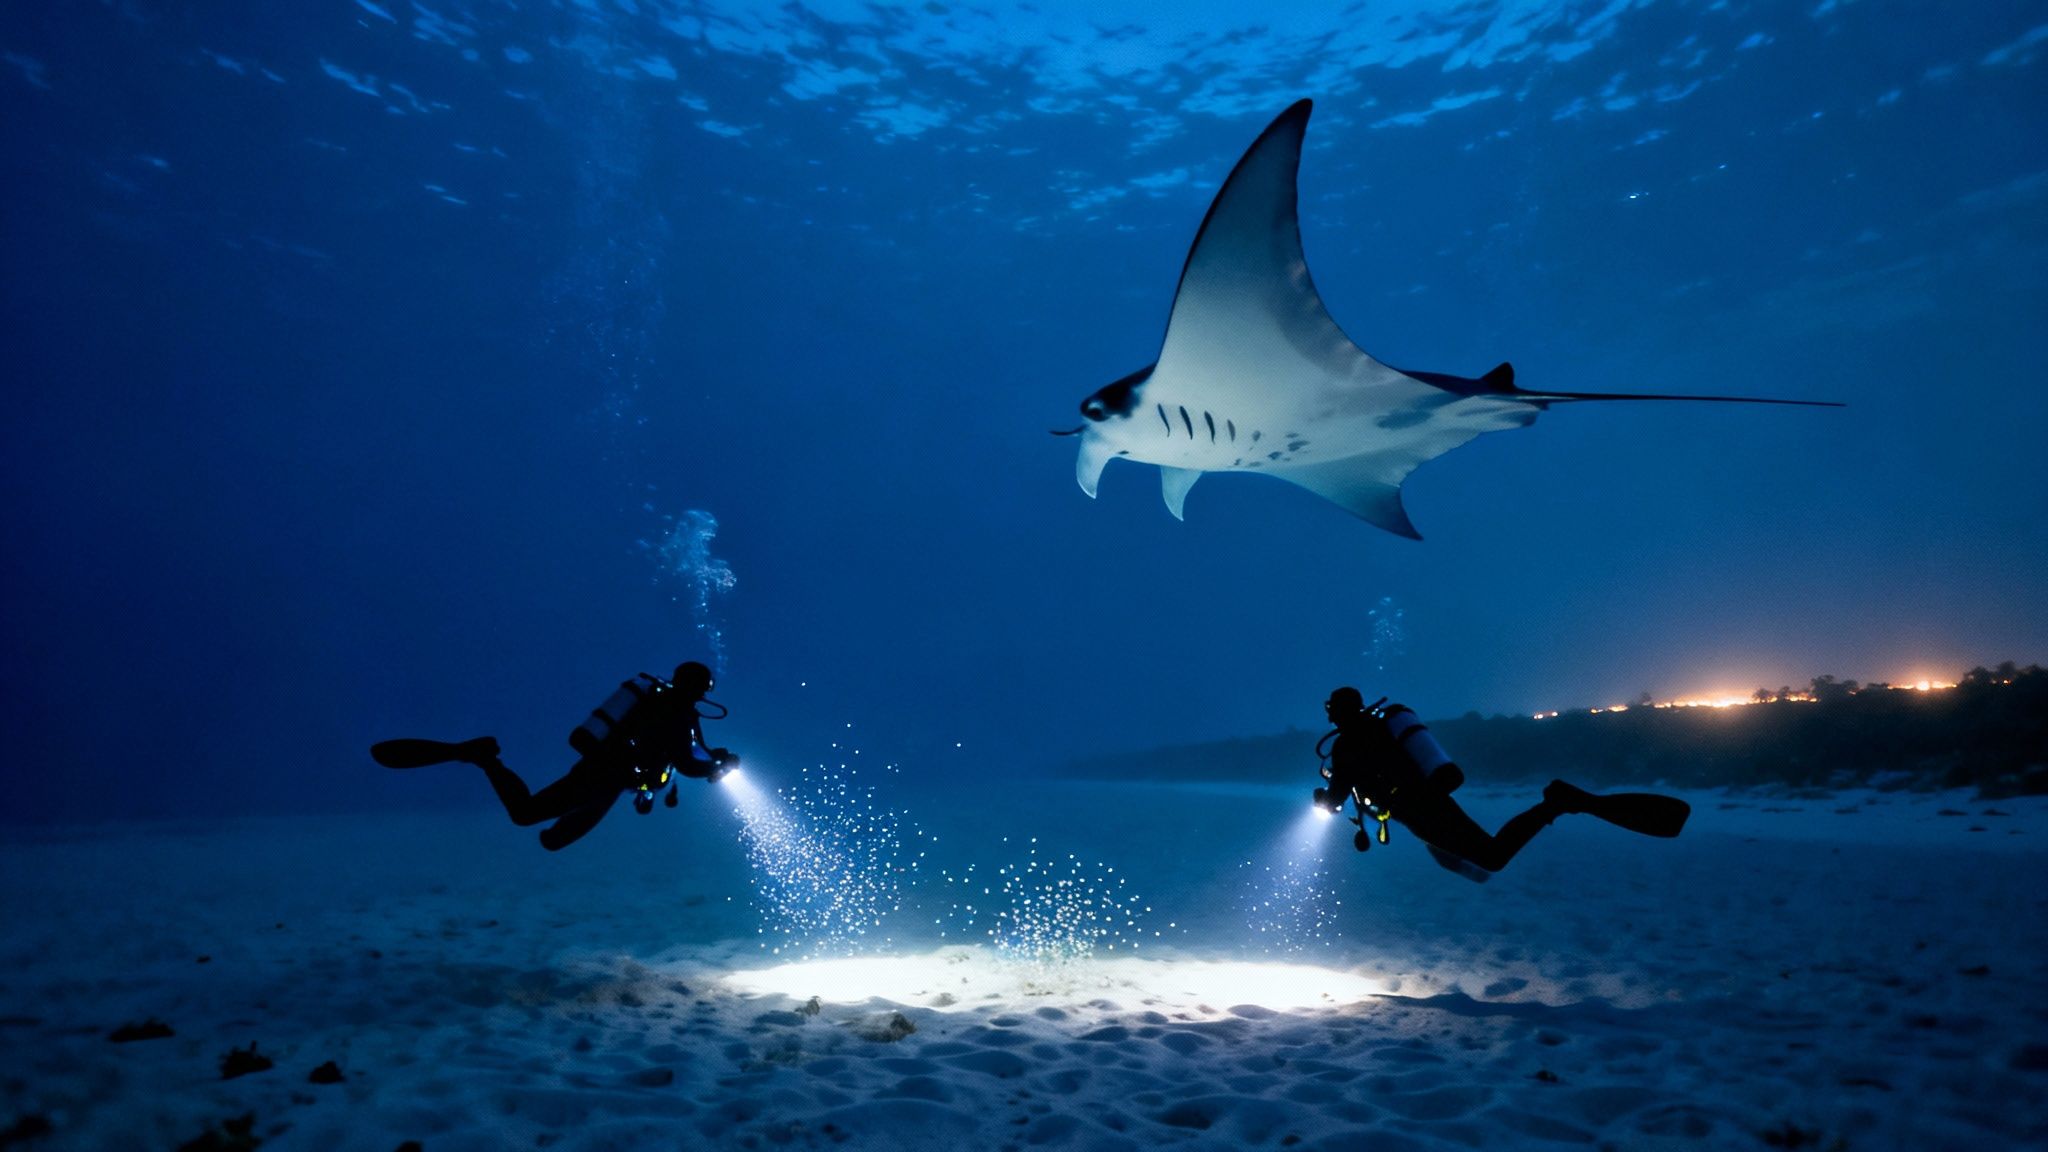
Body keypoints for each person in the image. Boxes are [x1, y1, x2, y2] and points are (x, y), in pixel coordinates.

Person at [1313, 687, 1688, 877]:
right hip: (1426, 801)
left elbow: (1335, 799)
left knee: (1491, 857)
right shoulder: (1378, 730)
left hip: (1420, 808)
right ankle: (1555, 804)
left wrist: (1322, 800)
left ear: (1340, 711)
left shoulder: (1348, 747)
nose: (1329, 714)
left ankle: (1556, 803)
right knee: (1454, 849)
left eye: (1332, 708)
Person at [372, 661, 738, 851]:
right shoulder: (675, 713)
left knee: (552, 839)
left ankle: (484, 758)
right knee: (526, 814)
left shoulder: (667, 707)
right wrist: (716, 765)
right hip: (602, 779)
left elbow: (690, 754)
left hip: (607, 780)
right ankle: (484, 757)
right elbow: (689, 764)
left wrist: (715, 759)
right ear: (698, 688)